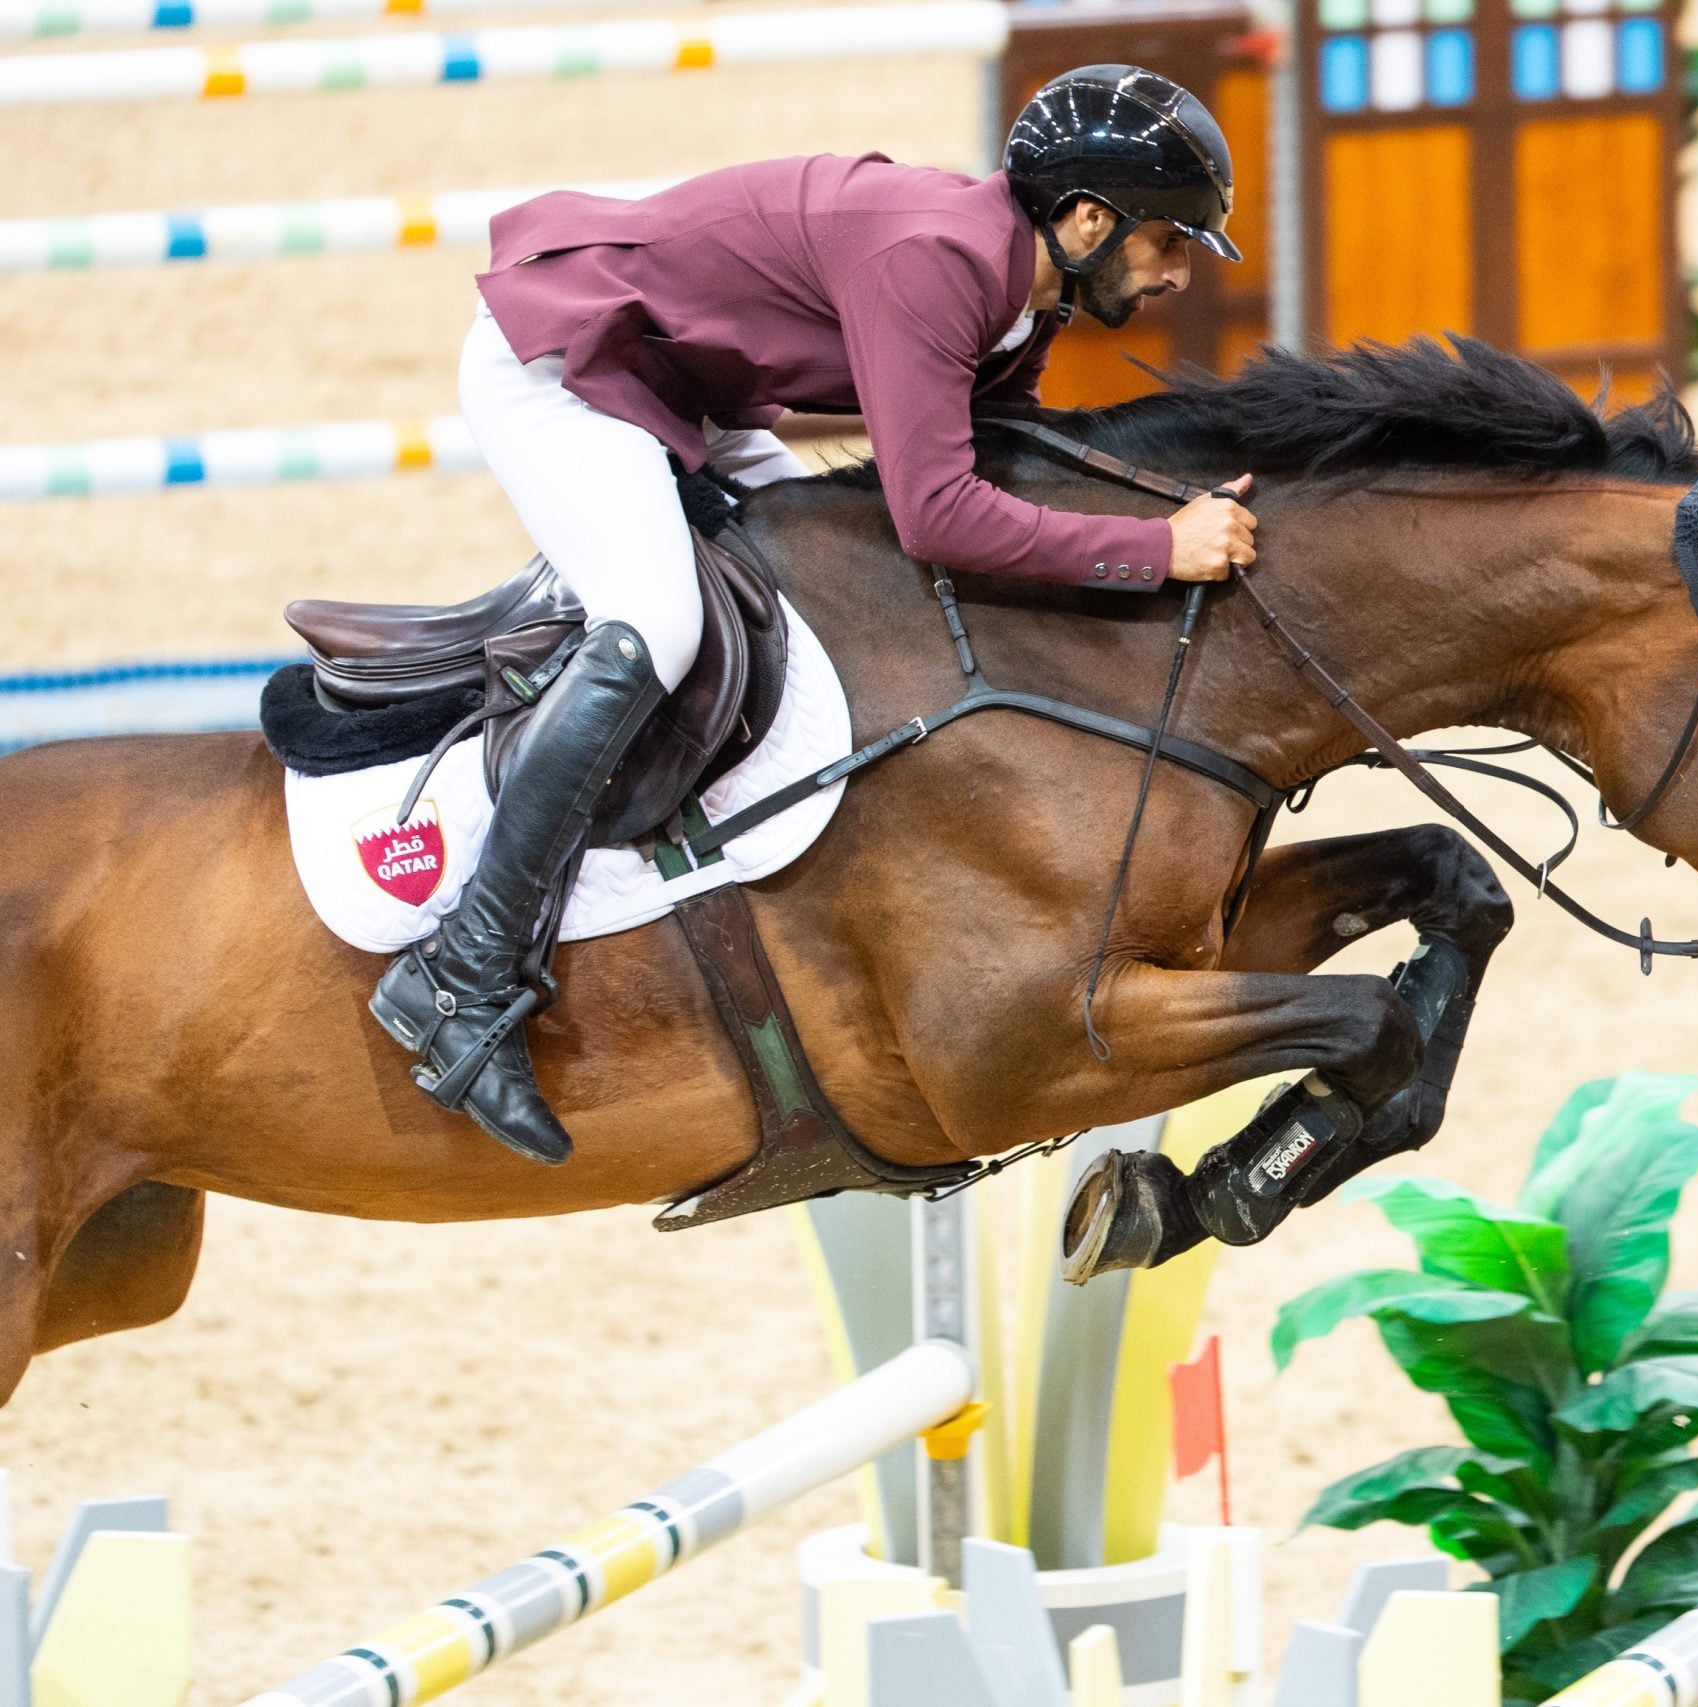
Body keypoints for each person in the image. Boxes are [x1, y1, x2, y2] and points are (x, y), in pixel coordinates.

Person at [368, 65, 1261, 1166]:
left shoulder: (1026, 292)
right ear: (1086, 219)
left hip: (689, 389)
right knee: (661, 620)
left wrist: (1166, 509)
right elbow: (935, 515)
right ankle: (462, 969)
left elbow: (1000, 465)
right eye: (1169, 240)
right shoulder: (938, 262)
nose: (1178, 270)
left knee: (820, 580)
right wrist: (1155, 552)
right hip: (565, 369)